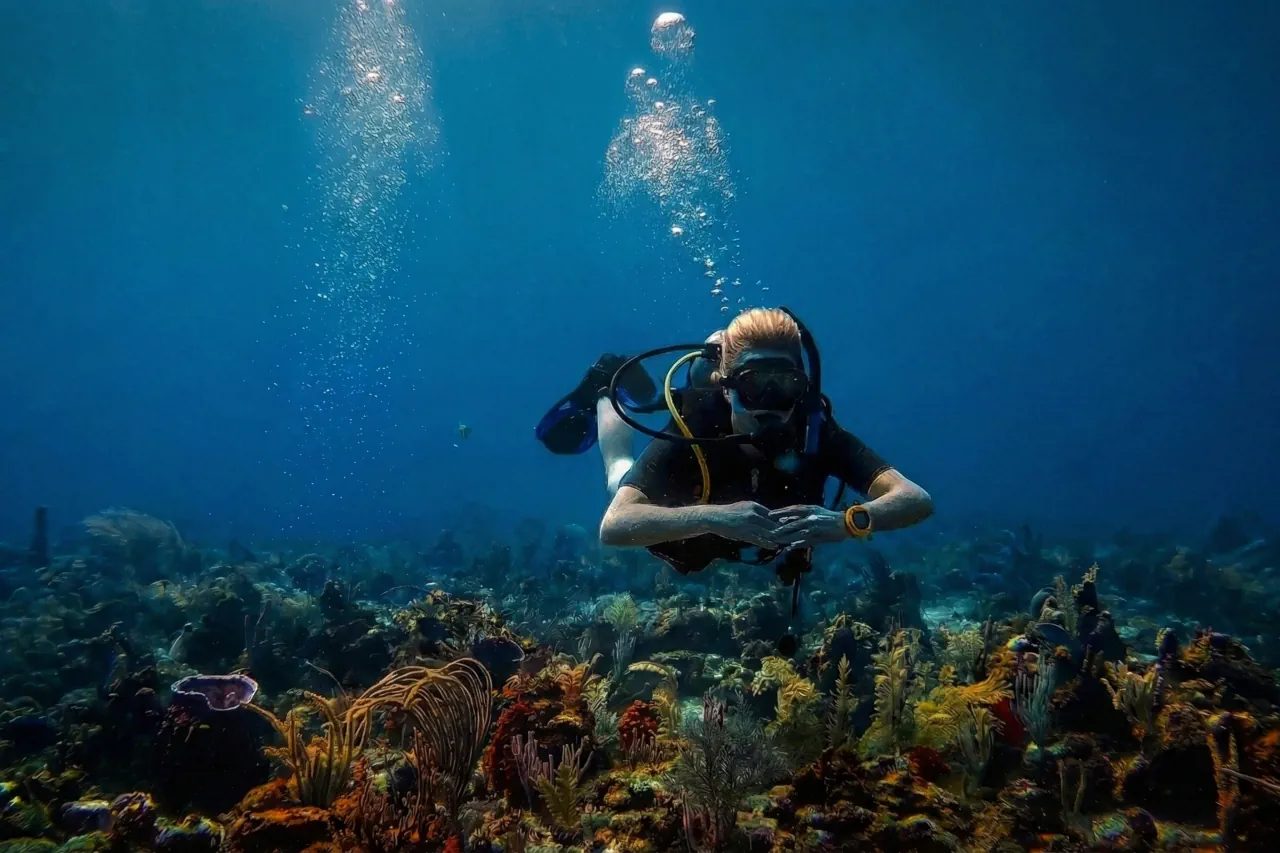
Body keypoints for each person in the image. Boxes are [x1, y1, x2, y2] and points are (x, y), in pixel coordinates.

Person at [538, 307, 932, 582]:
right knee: (619, 473)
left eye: (786, 388)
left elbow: (915, 498)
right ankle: (606, 390)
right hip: (684, 509)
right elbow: (615, 525)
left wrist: (848, 522)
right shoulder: (697, 424)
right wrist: (714, 517)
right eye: (753, 387)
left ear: (803, 388)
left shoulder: (816, 431)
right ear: (726, 390)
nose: (770, 407)